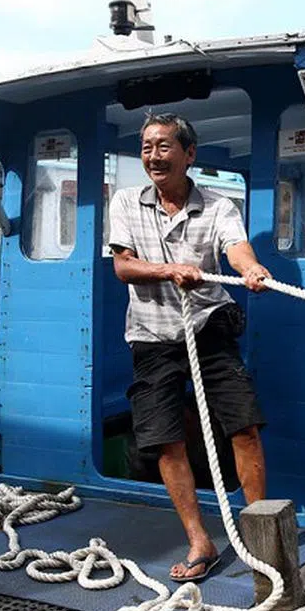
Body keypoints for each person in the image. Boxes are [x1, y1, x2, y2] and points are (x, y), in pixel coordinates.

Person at [108, 112, 273, 582]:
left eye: (163, 147)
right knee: (165, 439)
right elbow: (123, 266)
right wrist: (169, 269)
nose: (153, 157)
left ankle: (259, 534)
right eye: (146, 148)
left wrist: (251, 270)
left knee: (244, 426)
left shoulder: (218, 207)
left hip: (206, 324)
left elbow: (236, 248)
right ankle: (200, 540)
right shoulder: (125, 202)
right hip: (151, 336)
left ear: (188, 154)